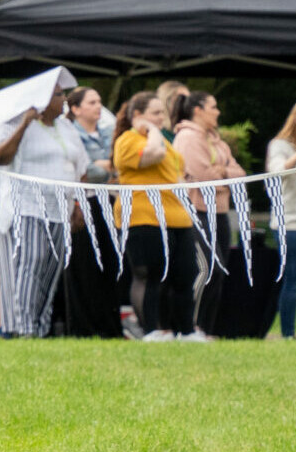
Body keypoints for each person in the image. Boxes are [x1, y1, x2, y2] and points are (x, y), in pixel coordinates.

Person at [0, 70, 81, 337]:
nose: (64, 100)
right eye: (59, 95)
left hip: (59, 209)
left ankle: (40, 328)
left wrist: (77, 204)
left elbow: (79, 165)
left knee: (51, 268)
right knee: (29, 265)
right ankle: (21, 328)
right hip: (24, 208)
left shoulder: (66, 127)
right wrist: (25, 123)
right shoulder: (12, 122)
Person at [113, 92, 198, 342]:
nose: (161, 118)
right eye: (155, 113)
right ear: (137, 116)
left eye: (163, 112)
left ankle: (186, 331)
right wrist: (151, 130)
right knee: (150, 275)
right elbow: (154, 155)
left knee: (185, 275)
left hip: (177, 217)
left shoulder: (164, 142)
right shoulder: (127, 140)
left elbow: (176, 172)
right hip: (143, 216)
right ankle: (150, 330)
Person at [173, 92, 242, 337]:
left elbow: (240, 173)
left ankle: (206, 328)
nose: (218, 112)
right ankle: (190, 326)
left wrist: (221, 173)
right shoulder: (187, 138)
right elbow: (202, 177)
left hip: (220, 212)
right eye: (214, 107)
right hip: (197, 212)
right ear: (198, 110)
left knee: (220, 270)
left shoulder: (216, 140)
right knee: (207, 269)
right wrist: (223, 177)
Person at [269, 98, 296, 339]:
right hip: (291, 223)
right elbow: (275, 171)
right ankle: (287, 334)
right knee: (294, 279)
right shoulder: (280, 145)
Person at [61, 86, 114, 180]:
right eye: (92, 103)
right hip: (83, 193)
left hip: (112, 192)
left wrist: (97, 164)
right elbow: (86, 172)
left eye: (99, 102)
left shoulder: (109, 131)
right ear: (75, 109)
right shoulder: (68, 135)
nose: (98, 106)